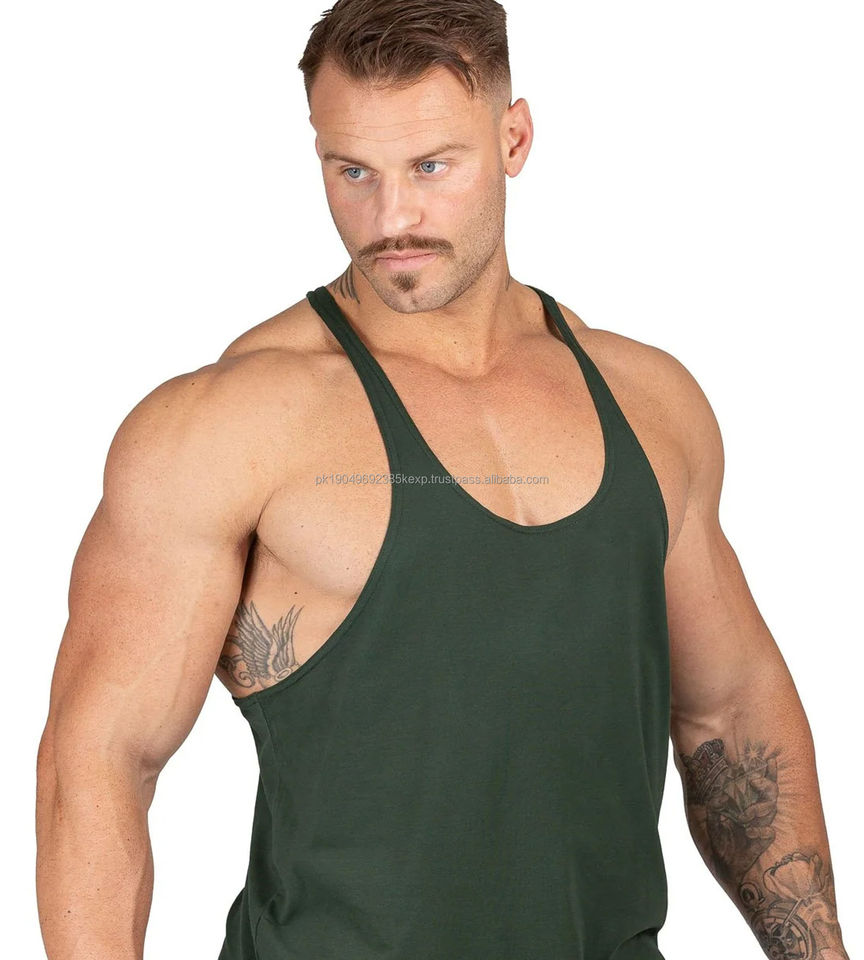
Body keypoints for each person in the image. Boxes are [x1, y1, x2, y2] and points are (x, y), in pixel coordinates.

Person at [35, 1, 850, 958]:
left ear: (514, 138)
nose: (393, 220)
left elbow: (729, 712)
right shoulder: (231, 424)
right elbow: (98, 762)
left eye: (431, 166)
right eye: (353, 172)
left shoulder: (649, 402)